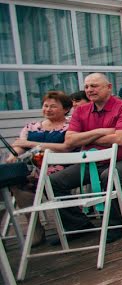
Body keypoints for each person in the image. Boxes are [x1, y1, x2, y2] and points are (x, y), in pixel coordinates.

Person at [51, 73, 122, 242]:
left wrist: (85, 136)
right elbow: (70, 140)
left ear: (109, 87)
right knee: (52, 182)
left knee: (108, 175)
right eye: (86, 87)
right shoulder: (80, 111)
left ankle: (116, 225)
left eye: (94, 86)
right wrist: (101, 131)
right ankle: (78, 225)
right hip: (90, 163)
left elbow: (121, 139)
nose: (89, 90)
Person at [7, 91, 74, 246]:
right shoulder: (32, 127)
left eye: (53, 106)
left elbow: (67, 147)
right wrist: (14, 155)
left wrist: (31, 145)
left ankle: (70, 222)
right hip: (36, 169)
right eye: (45, 106)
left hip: (63, 166)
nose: (48, 109)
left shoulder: (70, 126)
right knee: (18, 183)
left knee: (48, 179)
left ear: (65, 109)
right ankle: (35, 229)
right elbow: (19, 145)